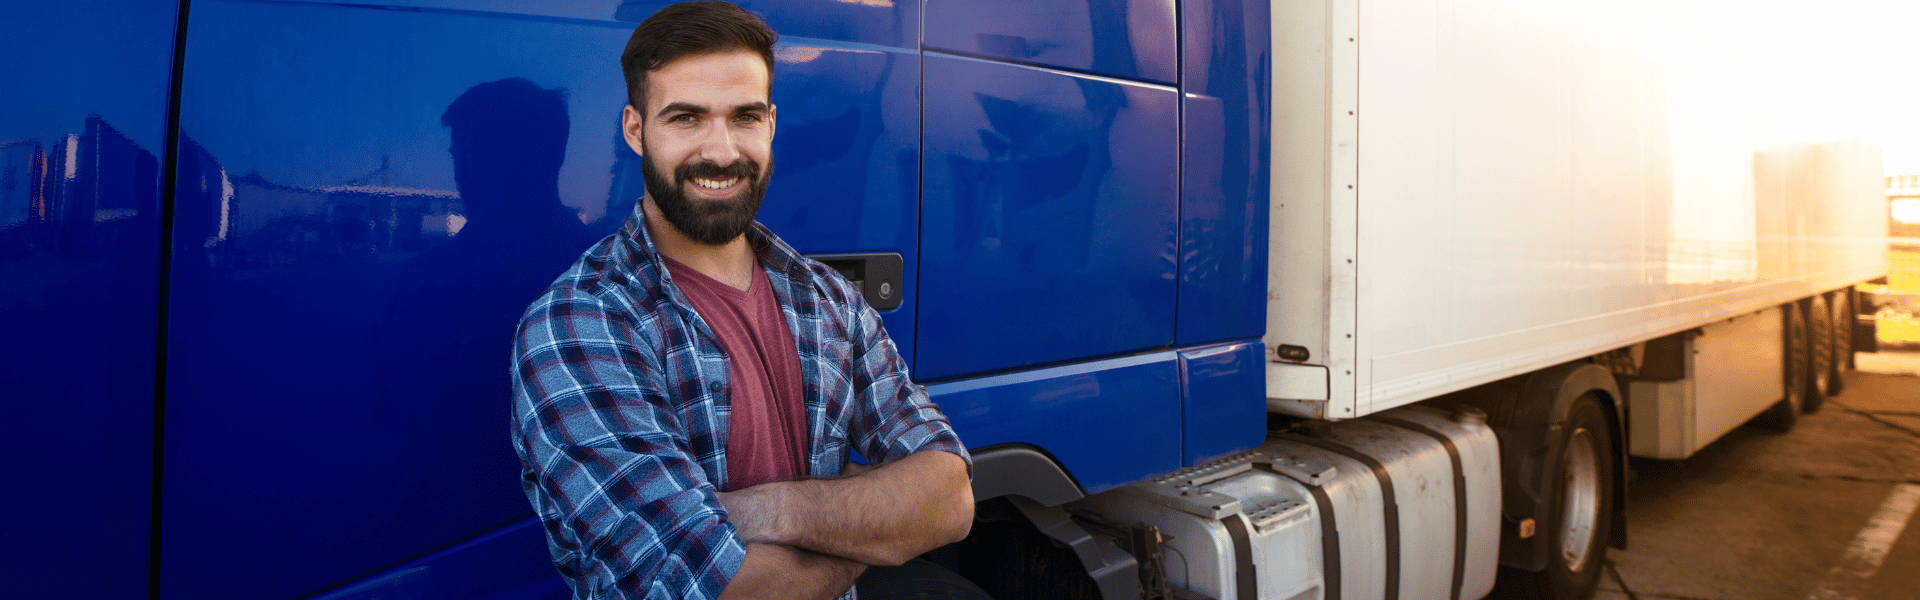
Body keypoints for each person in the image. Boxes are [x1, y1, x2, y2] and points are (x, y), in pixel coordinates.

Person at [509, 2, 978, 599]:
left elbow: (950, 496)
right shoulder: (580, 324)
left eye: (745, 117)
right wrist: (877, 530)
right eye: (686, 118)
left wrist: (768, 508)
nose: (722, 151)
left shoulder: (826, 297)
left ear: (772, 124)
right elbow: (719, 591)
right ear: (635, 129)